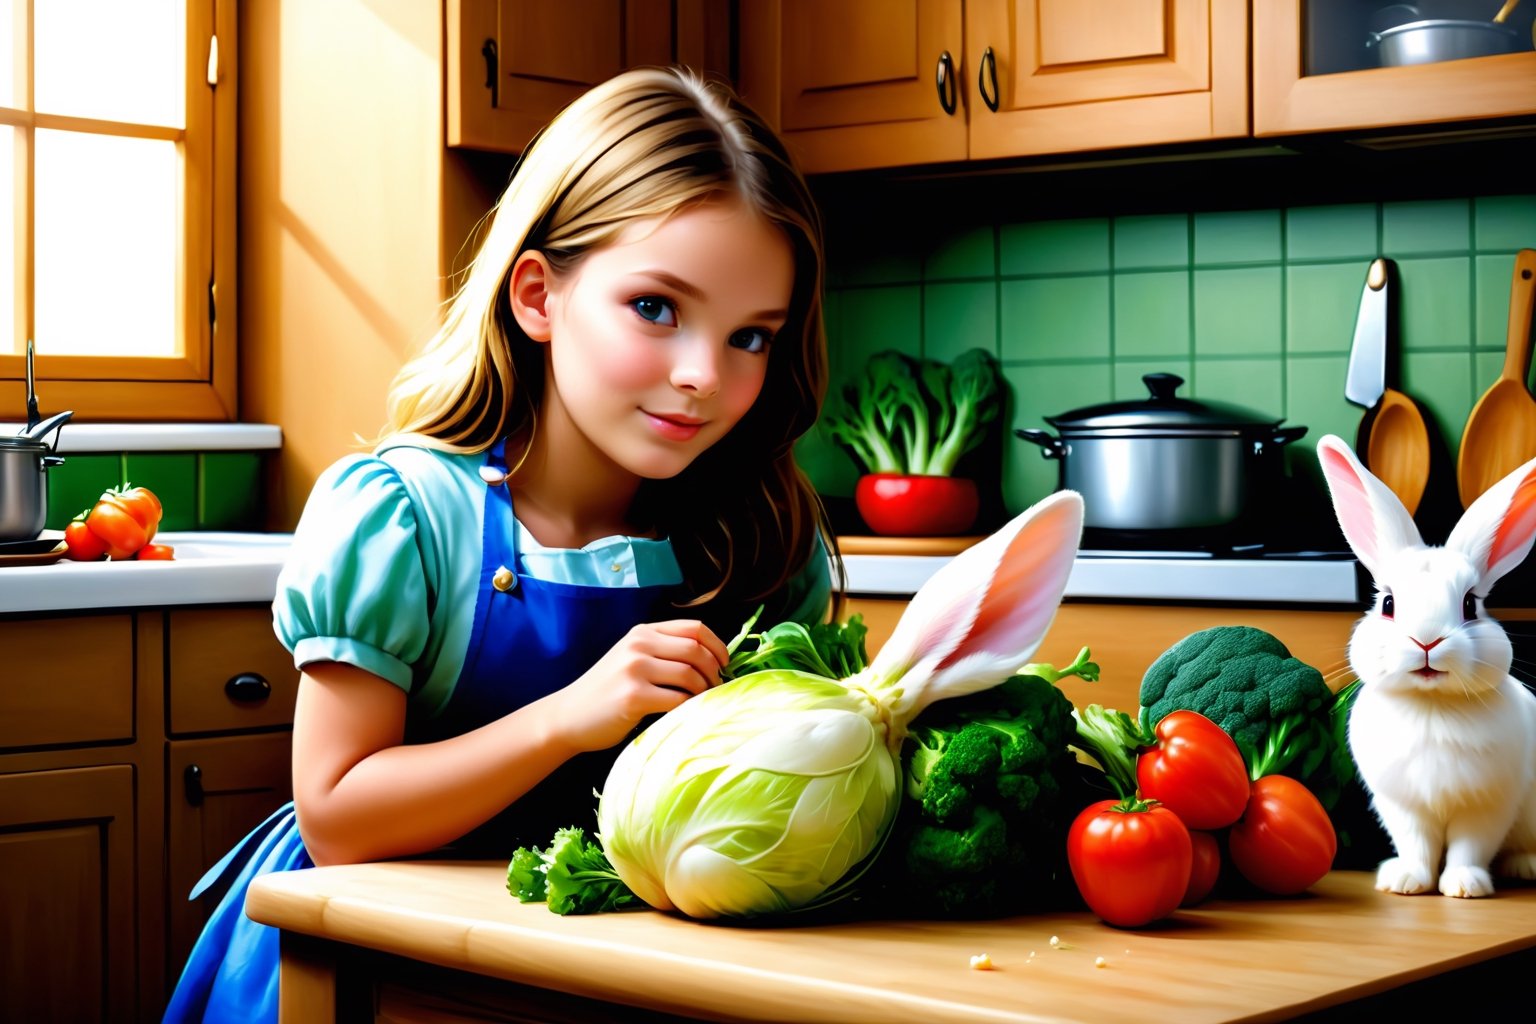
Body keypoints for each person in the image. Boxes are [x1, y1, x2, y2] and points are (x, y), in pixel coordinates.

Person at [163, 65, 840, 1023]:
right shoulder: (402, 516)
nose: (702, 375)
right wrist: (571, 715)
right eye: (656, 308)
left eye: (751, 337)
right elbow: (337, 813)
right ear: (537, 297)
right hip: (371, 971)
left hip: (625, 973)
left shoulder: (766, 539)